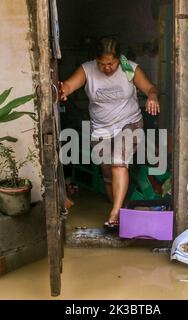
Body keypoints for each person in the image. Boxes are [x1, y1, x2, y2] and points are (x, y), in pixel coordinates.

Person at [58, 37, 160, 228]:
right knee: (107, 177)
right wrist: (62, 90)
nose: (106, 68)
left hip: (129, 124)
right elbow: (69, 86)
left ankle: (114, 214)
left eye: (111, 63)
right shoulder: (87, 69)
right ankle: (121, 214)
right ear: (95, 60)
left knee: (118, 163)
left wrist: (152, 96)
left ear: (118, 58)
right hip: (101, 130)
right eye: (102, 64)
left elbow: (150, 88)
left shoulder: (129, 68)